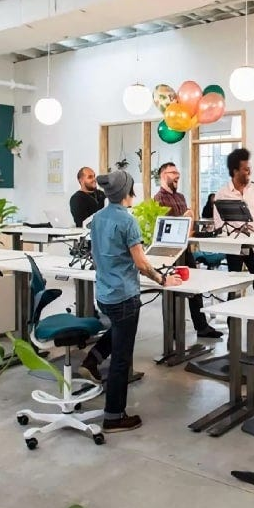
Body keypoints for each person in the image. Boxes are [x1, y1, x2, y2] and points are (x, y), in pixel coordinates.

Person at [87, 169, 182, 433]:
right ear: (128, 191)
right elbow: (141, 263)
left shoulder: (97, 218)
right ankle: (114, 416)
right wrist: (163, 279)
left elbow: (96, 254)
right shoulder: (127, 221)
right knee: (121, 358)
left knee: (118, 330)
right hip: (124, 295)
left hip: (104, 294)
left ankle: (92, 358)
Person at [213, 148, 254, 350]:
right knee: (234, 291)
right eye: (245, 169)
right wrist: (232, 236)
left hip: (253, 246)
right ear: (235, 171)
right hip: (234, 248)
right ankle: (232, 334)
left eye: (249, 169)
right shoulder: (222, 193)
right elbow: (218, 224)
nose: (249, 172)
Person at [153, 162, 223, 338]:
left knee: (194, 286)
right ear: (163, 175)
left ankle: (201, 326)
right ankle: (173, 331)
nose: (177, 175)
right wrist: (185, 217)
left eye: (177, 172)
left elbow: (187, 226)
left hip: (185, 249)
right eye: (172, 172)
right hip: (169, 252)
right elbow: (166, 226)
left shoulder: (180, 197)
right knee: (172, 290)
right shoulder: (158, 199)